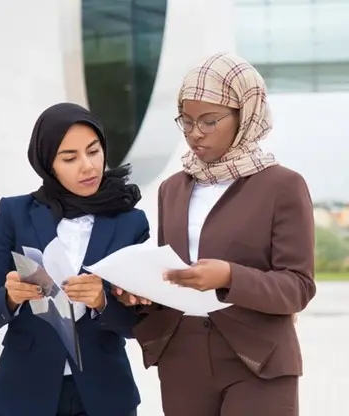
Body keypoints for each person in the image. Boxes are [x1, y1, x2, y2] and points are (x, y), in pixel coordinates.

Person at [114, 52, 316, 416]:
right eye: (187, 121)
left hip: (259, 359)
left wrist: (229, 276)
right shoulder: (173, 188)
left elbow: (298, 286)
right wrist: (140, 292)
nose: (195, 133)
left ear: (245, 115)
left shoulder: (283, 186)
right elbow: (172, 273)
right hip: (183, 357)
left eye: (209, 121)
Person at [0, 103, 149, 416]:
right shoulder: (14, 215)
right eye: (70, 158)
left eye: (94, 151)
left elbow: (142, 324)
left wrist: (103, 302)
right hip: (22, 394)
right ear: (48, 164)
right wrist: (9, 298)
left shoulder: (131, 223)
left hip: (105, 396)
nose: (88, 166)